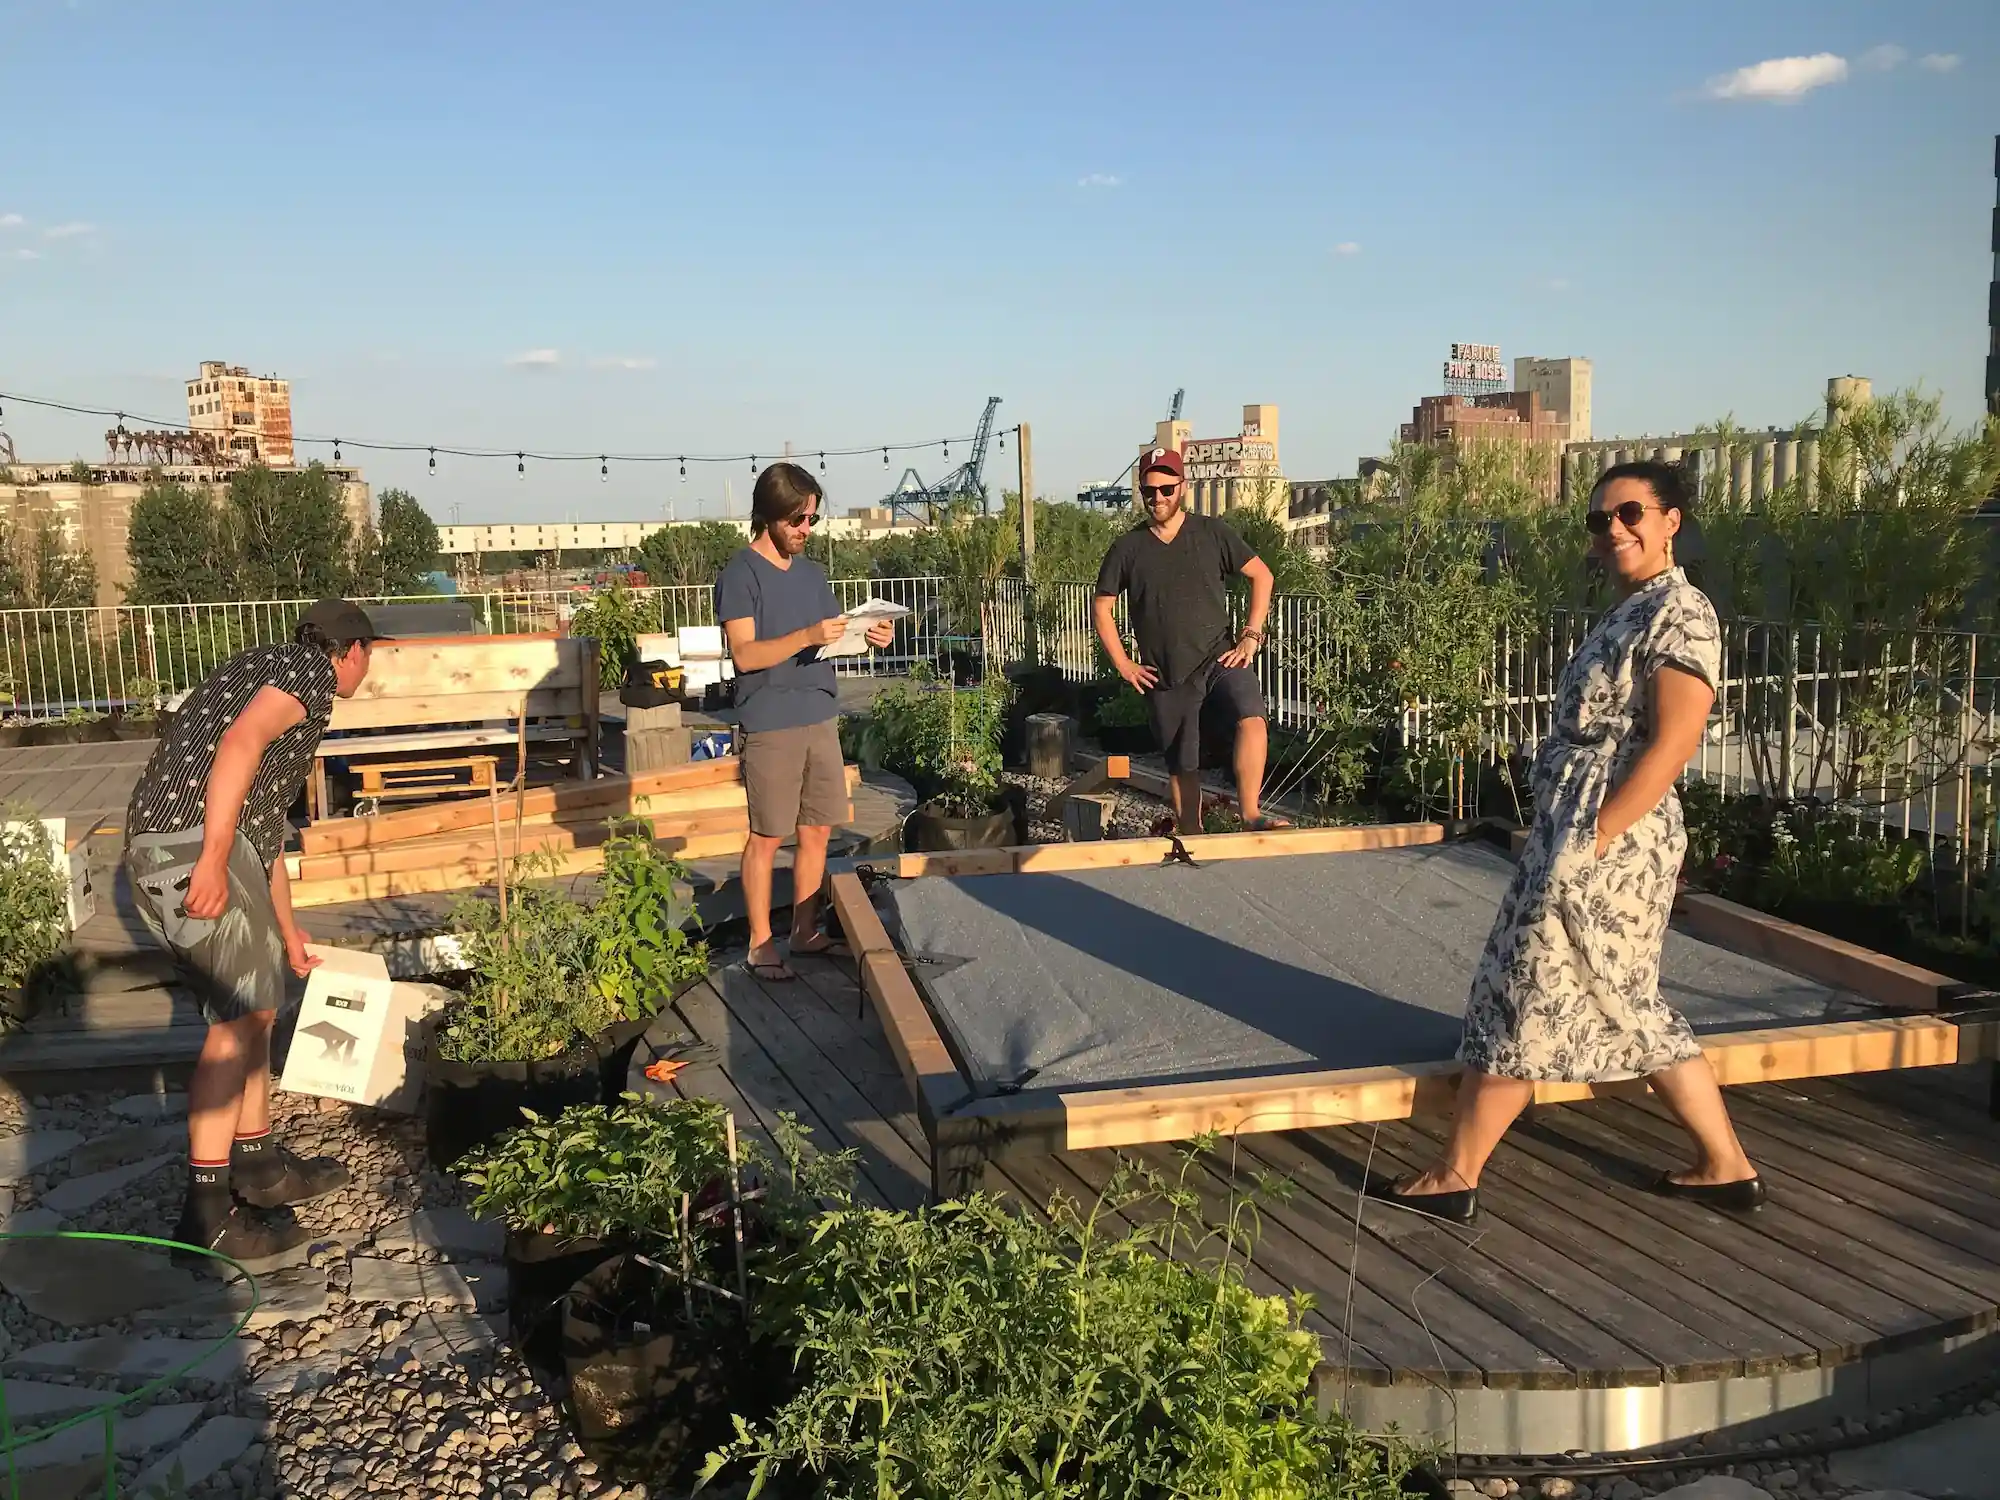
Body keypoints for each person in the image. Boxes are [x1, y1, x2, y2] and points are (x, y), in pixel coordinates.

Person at [1372, 460, 1762, 1226]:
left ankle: (1457, 1173)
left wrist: (1598, 835)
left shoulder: (1680, 613)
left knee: (1530, 986)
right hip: (1581, 825)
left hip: (1610, 833)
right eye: (1599, 519)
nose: (1613, 528)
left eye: (1629, 514)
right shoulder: (1634, 607)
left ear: (1670, 521)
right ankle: (1726, 1164)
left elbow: (1674, 742)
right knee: (1616, 998)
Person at [124, 599, 387, 1261]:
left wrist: (288, 929)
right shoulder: (307, 673)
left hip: (216, 844)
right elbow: (238, 745)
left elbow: (262, 827)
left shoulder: (269, 667)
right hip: (186, 846)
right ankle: (206, 1214)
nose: (367, 670)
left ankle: (260, 1168)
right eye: (371, 657)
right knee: (234, 1020)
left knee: (260, 1007)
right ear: (351, 650)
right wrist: (209, 860)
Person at [716, 462, 894, 981]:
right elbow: (745, 655)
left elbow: (829, 638)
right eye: (797, 520)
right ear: (768, 517)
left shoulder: (812, 574)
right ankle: (759, 943)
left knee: (817, 830)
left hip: (819, 710)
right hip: (770, 719)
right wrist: (807, 635)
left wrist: (869, 636)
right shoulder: (739, 575)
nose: (805, 530)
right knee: (768, 836)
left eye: (812, 519)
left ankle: (805, 930)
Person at [1092, 445, 1284, 833]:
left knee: (1252, 717)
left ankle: (1250, 815)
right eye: (1150, 491)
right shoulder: (1128, 548)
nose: (1158, 498)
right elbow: (1102, 608)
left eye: (1166, 489)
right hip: (1165, 673)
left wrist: (1251, 636)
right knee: (1183, 764)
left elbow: (1263, 576)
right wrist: (1123, 663)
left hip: (1220, 657)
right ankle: (1191, 834)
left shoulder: (1212, 533)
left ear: (1183, 486)